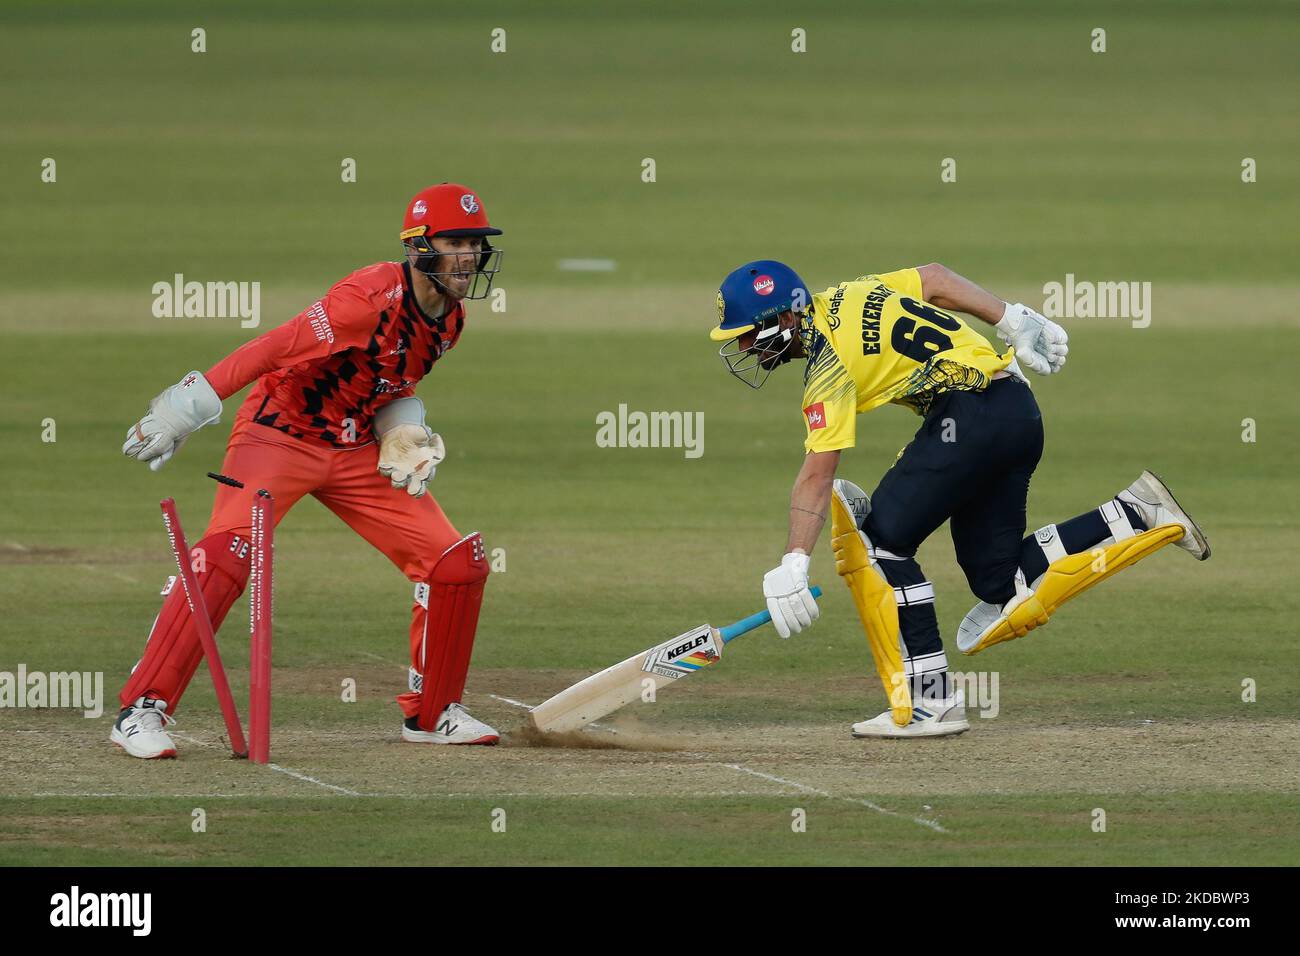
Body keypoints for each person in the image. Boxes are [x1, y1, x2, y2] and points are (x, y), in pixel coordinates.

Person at [710, 260, 1209, 738]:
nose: (746, 348)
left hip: (971, 420)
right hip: (1016, 411)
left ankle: (931, 701)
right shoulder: (854, 291)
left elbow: (817, 476)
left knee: (881, 542)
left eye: (749, 335)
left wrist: (794, 561)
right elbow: (935, 279)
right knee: (998, 581)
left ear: (784, 318)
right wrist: (1010, 317)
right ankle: (1137, 513)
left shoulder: (826, 370)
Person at [114, 183, 505, 758]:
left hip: (352, 453)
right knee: (226, 556)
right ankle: (141, 709)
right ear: (420, 247)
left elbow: (393, 382)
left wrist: (401, 432)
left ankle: (433, 713)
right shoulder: (366, 298)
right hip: (280, 435)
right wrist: (183, 407)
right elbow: (274, 348)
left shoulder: (450, 320)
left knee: (455, 565)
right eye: (456, 243)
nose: (469, 257)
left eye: (475, 244)